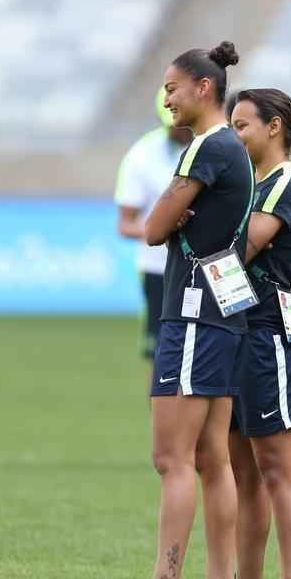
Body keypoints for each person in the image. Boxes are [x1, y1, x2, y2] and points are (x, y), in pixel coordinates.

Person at [98, 42, 253, 579]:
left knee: (172, 458)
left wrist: (173, 213)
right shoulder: (230, 148)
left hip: (192, 312)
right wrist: (174, 216)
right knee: (213, 457)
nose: (166, 98)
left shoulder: (204, 151)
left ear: (203, 89)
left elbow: (155, 229)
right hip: (221, 312)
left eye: (172, 87)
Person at [225, 88, 291, 579]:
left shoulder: (286, 183)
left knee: (279, 468)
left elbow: (242, 246)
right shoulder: (254, 182)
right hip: (241, 331)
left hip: (270, 334)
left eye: (242, 126)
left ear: (276, 127)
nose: (235, 136)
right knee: (244, 470)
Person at [114, 87, 192, 370]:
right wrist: (164, 229)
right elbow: (125, 223)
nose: (182, 131)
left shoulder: (216, 146)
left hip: (207, 268)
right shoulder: (142, 155)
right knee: (159, 351)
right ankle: (159, 416)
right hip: (159, 270)